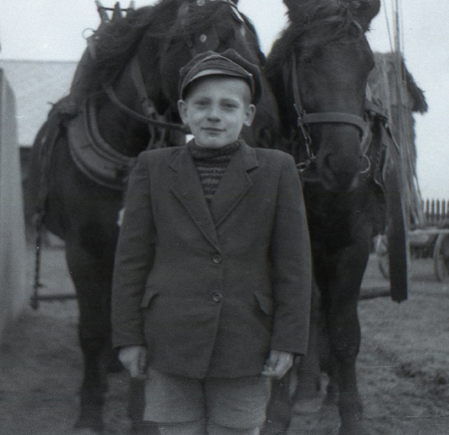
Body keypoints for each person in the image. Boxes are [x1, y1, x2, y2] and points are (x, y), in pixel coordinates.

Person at [112, 49, 312, 435]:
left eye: (228, 105)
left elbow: (294, 265)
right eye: (202, 104)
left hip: (247, 342)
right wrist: (128, 337)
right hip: (169, 341)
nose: (214, 115)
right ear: (185, 112)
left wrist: (288, 341)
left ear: (248, 115)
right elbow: (130, 262)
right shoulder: (152, 168)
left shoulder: (277, 169)